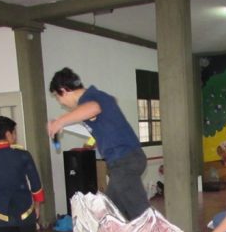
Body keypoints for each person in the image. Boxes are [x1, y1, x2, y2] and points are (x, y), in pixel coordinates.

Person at [47, 67, 150, 221]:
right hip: (123, 162)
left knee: (142, 217)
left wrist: (60, 121)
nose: (61, 102)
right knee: (110, 215)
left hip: (124, 162)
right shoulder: (97, 96)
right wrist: (68, 126)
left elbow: (94, 108)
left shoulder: (89, 99)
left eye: (57, 97)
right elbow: (106, 111)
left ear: (64, 90)